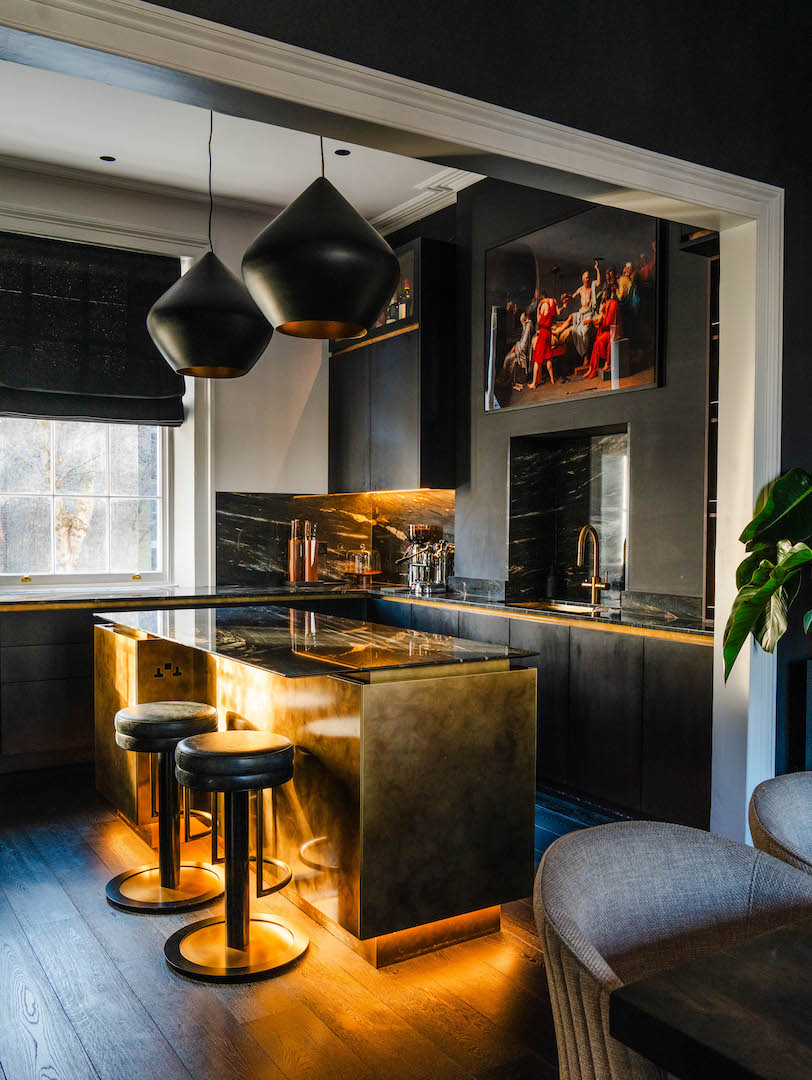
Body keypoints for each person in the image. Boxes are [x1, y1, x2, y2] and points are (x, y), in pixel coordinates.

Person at [583, 292, 621, 379]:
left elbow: (608, 322)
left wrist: (602, 315)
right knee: (597, 342)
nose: (603, 295)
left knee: (600, 340)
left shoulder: (612, 304)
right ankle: (592, 367)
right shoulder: (604, 304)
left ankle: (607, 363)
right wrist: (591, 321)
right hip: (607, 330)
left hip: (614, 331)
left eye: (604, 293)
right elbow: (599, 320)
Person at [528, 289, 558, 388]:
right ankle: (552, 379)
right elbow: (556, 313)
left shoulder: (543, 305)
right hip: (549, 333)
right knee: (548, 356)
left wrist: (538, 309)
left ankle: (533, 383)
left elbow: (539, 320)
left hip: (543, 332)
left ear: (541, 296)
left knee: (537, 358)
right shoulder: (553, 301)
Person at [504, 309, 534, 390]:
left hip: (522, 352)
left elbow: (523, 345)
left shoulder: (528, 325)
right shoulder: (526, 325)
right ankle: (507, 379)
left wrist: (516, 346)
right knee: (508, 357)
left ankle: (507, 379)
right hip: (520, 350)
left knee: (508, 358)